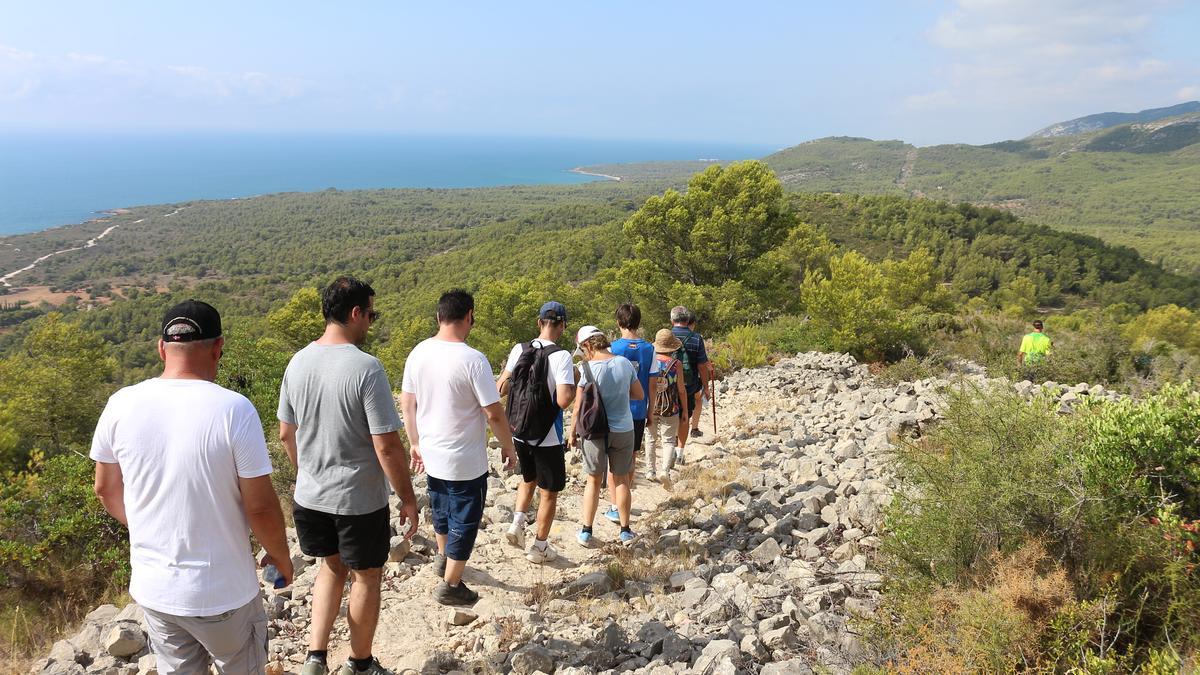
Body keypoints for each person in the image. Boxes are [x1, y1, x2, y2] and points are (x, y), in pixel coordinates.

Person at [92, 300, 292, 675]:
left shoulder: (120, 404)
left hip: (156, 590)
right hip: (223, 592)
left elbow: (105, 489)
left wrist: (149, 528)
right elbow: (261, 507)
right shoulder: (234, 409)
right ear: (218, 348)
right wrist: (280, 556)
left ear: (161, 348)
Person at [278, 277, 419, 675]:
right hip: (357, 500)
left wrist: (308, 473)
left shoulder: (298, 361)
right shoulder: (366, 368)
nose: (371, 322)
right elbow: (387, 446)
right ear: (356, 313)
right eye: (371, 314)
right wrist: (407, 498)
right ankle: (359, 663)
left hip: (310, 497)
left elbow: (287, 433)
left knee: (330, 567)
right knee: (366, 575)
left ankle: (314, 658)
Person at [401, 289, 517, 605]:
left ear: (439, 317)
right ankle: (451, 585)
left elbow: (407, 403)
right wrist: (508, 447)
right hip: (465, 459)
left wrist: (414, 442)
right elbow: (493, 412)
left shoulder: (418, 353)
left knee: (441, 512)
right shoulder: (473, 360)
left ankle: (443, 559)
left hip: (432, 454)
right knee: (465, 519)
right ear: (469, 316)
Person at [496, 301, 575, 564]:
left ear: (539, 322)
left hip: (517, 430)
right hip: (547, 434)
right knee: (549, 492)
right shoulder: (561, 356)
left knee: (527, 478)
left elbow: (501, 388)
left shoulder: (519, 349)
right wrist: (573, 381)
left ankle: (517, 525)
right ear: (562, 326)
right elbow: (563, 400)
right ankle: (539, 547)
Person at [568, 325, 644, 546]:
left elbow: (578, 406)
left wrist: (572, 433)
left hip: (594, 431)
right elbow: (638, 394)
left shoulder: (586, 369)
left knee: (593, 480)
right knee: (621, 479)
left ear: (588, 345)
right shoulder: (624, 364)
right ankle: (625, 530)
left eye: (583, 349)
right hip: (623, 429)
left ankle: (586, 531)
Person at [603, 304, 659, 529]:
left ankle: (616, 506)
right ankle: (625, 494)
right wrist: (650, 410)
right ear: (638, 321)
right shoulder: (649, 349)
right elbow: (653, 384)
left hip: (614, 410)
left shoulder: (612, 347)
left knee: (611, 460)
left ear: (618, 322)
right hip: (637, 411)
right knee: (631, 456)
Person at [647, 328, 689, 479]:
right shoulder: (676, 364)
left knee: (650, 438)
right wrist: (684, 410)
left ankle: (650, 471)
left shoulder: (650, 360)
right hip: (671, 406)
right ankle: (665, 470)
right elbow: (681, 389)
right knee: (669, 440)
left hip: (651, 405)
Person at [670, 307, 711, 455]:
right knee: (684, 416)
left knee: (670, 416)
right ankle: (680, 451)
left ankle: (669, 451)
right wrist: (706, 387)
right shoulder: (696, 338)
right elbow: (701, 366)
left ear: (672, 320)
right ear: (687, 320)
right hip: (690, 384)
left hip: (669, 385)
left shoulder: (666, 336)